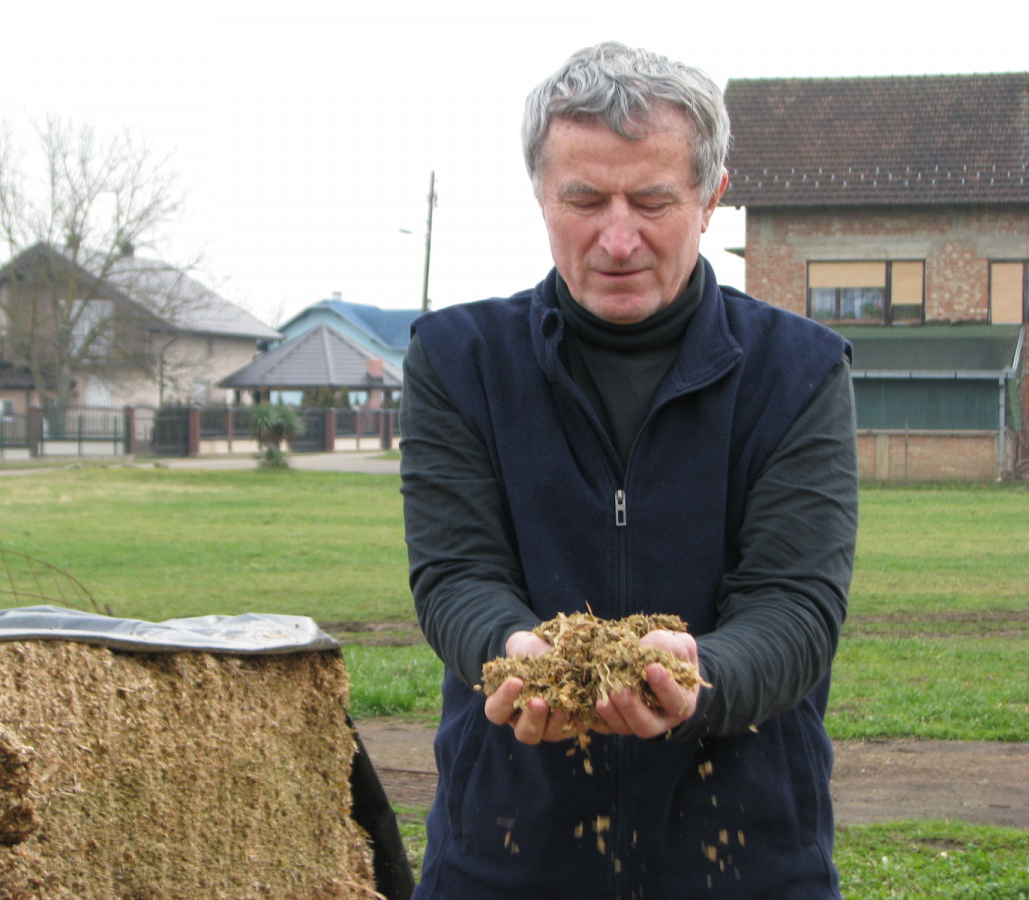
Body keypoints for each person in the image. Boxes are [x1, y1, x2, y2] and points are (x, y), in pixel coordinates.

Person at [399, 42, 858, 899]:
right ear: (541, 195)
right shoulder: (460, 360)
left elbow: (795, 604)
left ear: (710, 200)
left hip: (746, 861)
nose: (618, 239)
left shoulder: (797, 371)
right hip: (505, 858)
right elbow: (456, 575)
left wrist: (694, 675)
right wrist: (516, 655)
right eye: (583, 200)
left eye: (653, 201)